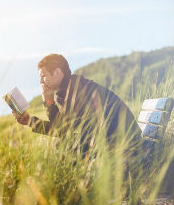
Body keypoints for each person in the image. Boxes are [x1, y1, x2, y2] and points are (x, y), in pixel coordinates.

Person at [12, 54, 143, 157]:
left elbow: (62, 130)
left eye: (43, 76)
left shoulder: (76, 90)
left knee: (64, 145)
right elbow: (62, 128)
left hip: (125, 145)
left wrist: (49, 103)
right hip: (114, 141)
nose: (41, 81)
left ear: (57, 72)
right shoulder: (69, 89)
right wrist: (30, 121)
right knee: (66, 144)